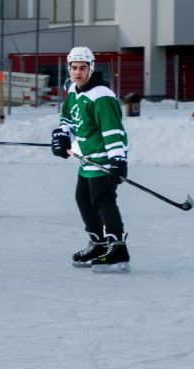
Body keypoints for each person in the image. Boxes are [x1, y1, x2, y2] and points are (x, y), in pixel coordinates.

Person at [51, 46, 130, 273]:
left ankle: (118, 249)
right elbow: (68, 118)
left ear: (91, 68)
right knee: (83, 199)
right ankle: (98, 243)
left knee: (103, 202)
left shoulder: (101, 95)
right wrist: (62, 136)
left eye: (83, 68)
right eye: (74, 68)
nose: (78, 72)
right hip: (87, 161)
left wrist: (118, 160)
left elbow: (112, 129)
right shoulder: (74, 92)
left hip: (104, 162)